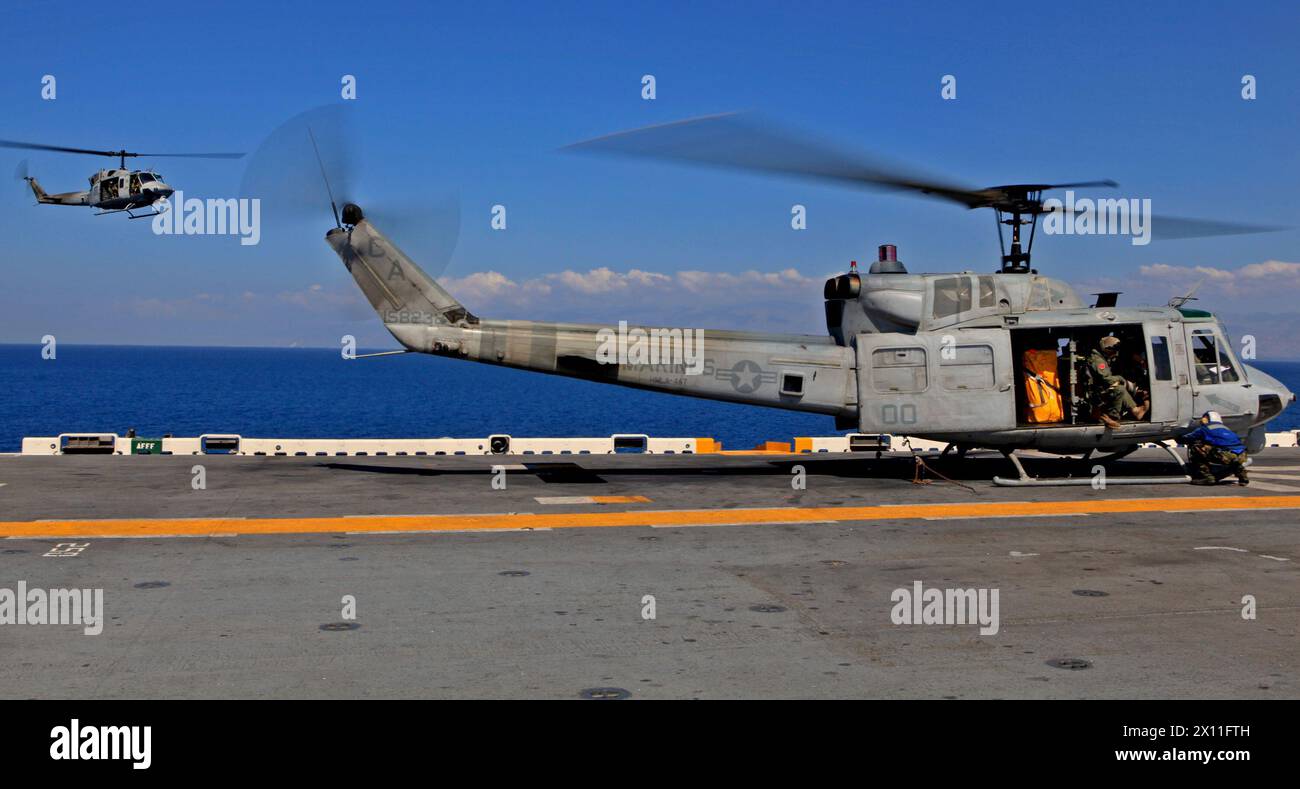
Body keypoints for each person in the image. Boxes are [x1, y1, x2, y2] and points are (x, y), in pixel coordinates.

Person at [1087, 336, 1148, 428]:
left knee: (1120, 387)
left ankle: (1136, 411)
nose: (1115, 353)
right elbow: (1106, 378)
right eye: (1113, 350)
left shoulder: (1100, 358)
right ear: (1107, 349)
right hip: (1096, 392)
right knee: (1119, 389)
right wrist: (1121, 379)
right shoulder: (1098, 360)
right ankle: (1112, 417)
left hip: (1099, 388)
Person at [1181, 410, 1249, 486]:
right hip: (1242, 455)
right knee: (1234, 459)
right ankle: (1243, 477)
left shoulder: (1205, 428)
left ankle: (1208, 477)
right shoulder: (1226, 428)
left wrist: (1178, 438)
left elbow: (1187, 438)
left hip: (1225, 455)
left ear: (1206, 419)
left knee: (1196, 448)